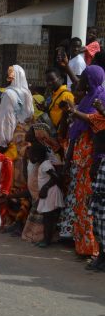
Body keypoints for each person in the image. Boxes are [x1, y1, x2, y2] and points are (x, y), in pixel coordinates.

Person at [58, 66, 103, 258]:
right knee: (80, 205)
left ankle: (92, 248)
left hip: (90, 161)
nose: (79, 82)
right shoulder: (87, 99)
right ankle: (82, 246)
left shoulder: (98, 100)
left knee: (88, 206)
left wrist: (94, 162)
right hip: (80, 160)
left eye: (83, 78)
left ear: (90, 80)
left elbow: (97, 127)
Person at [0, 65, 34, 190]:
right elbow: (30, 115)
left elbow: (5, 121)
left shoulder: (9, 94)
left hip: (13, 139)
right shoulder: (27, 92)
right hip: (26, 137)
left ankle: (10, 202)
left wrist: (3, 143)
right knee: (23, 171)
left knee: (10, 176)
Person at [87, 129, 105, 271]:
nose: (95, 148)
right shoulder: (101, 161)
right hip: (99, 202)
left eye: (98, 145)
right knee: (98, 230)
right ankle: (101, 256)